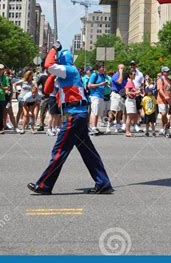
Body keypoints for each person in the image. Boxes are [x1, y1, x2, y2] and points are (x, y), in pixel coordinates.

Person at [28, 43, 113, 195]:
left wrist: (53, 48)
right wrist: (53, 74)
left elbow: (48, 64)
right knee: (88, 152)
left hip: (74, 115)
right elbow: (47, 90)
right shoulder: (67, 72)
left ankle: (44, 185)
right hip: (78, 114)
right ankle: (103, 183)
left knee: (59, 150)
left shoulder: (69, 70)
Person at [88, 63, 111, 135]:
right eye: (102, 67)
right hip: (95, 96)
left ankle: (95, 127)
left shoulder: (103, 76)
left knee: (97, 112)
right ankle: (93, 128)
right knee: (94, 112)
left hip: (101, 96)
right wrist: (100, 84)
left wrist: (105, 84)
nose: (104, 68)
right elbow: (89, 85)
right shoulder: (94, 75)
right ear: (98, 68)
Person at [108, 64, 126, 133]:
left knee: (119, 112)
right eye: (121, 68)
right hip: (115, 95)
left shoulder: (124, 76)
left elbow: (124, 85)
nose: (122, 70)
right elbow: (119, 82)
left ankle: (117, 127)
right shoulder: (115, 76)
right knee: (113, 112)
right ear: (118, 68)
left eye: (123, 68)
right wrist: (120, 73)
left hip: (121, 95)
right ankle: (108, 126)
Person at [157, 66, 171, 137]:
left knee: (168, 114)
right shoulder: (160, 80)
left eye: (168, 71)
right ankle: (165, 128)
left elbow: (170, 90)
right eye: (166, 71)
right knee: (163, 114)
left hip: (168, 100)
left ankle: (164, 128)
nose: (167, 73)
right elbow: (160, 90)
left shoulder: (169, 80)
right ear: (163, 72)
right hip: (161, 100)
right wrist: (165, 96)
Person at [130, 60, 145, 132]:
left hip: (137, 94)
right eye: (131, 65)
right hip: (129, 94)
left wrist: (141, 91)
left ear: (136, 65)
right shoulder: (128, 73)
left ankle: (136, 124)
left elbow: (142, 84)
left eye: (134, 65)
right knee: (128, 111)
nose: (132, 66)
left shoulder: (140, 74)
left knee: (137, 110)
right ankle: (125, 125)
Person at [124, 68, 139, 137]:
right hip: (130, 101)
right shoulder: (129, 82)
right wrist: (135, 92)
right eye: (133, 74)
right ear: (130, 75)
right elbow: (127, 92)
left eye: (135, 74)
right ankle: (127, 131)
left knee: (131, 116)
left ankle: (128, 130)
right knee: (129, 117)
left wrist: (136, 92)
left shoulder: (132, 82)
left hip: (132, 100)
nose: (135, 75)